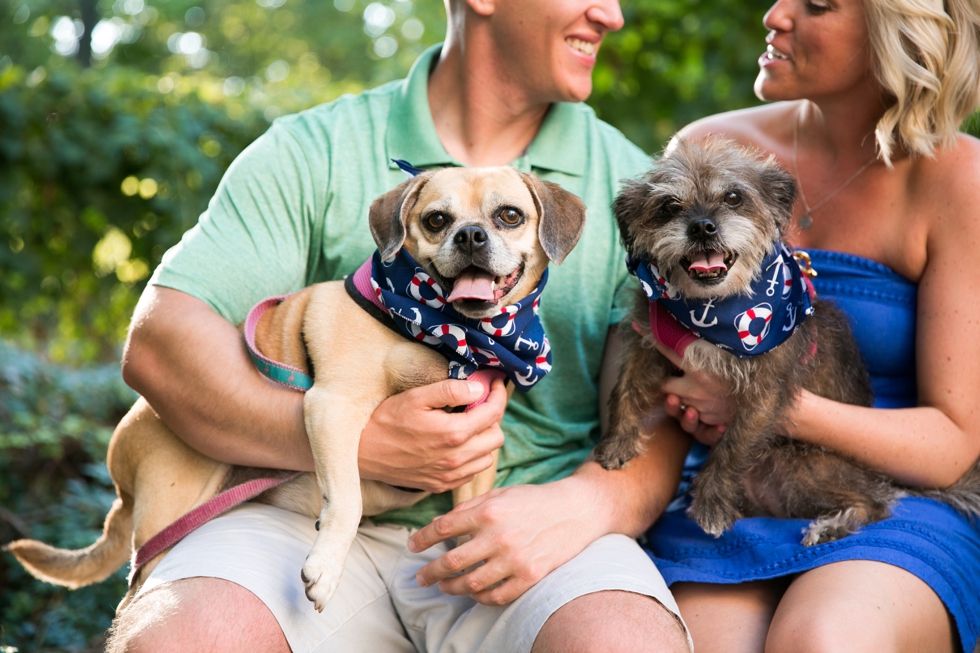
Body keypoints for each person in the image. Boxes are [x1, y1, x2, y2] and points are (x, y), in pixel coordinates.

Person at [108, 0, 695, 651]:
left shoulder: (634, 190)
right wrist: (347, 441)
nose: (610, 14)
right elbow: (160, 343)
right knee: (187, 638)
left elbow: (662, 408)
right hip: (298, 509)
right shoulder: (315, 150)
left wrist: (590, 504)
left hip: (536, 518)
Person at [641, 0, 980, 651]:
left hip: (890, 500)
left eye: (816, 4)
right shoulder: (707, 149)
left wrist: (765, 404)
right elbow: (657, 337)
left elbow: (952, 440)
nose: (775, 14)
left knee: (825, 639)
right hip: (734, 492)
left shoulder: (958, 179)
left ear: (897, 29)